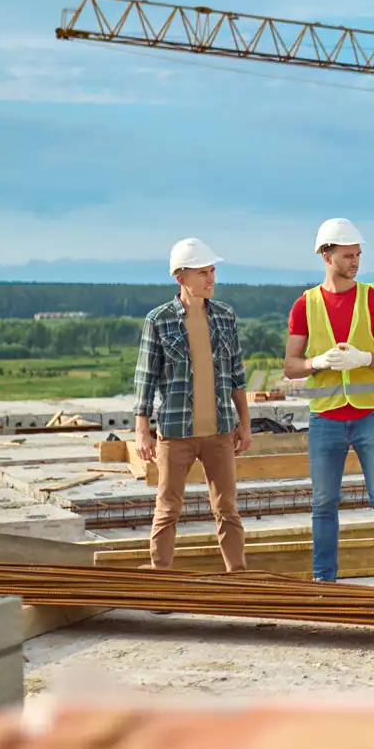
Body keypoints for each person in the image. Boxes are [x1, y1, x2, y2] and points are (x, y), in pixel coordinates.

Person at [283, 218, 374, 586]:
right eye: (348, 255)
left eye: (358, 255)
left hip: (372, 416)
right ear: (326, 255)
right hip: (325, 419)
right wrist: (316, 363)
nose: (355, 261)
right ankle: (324, 582)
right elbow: (291, 366)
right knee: (323, 504)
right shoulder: (305, 304)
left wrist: (366, 358)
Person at [134, 238, 251, 572]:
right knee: (168, 508)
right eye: (203, 272)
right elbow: (144, 380)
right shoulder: (158, 320)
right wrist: (142, 432)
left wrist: (244, 424)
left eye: (212, 271)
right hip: (175, 432)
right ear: (180, 277)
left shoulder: (226, 317)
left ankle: (237, 579)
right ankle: (160, 579)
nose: (211, 278)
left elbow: (238, 377)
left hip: (219, 432)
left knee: (227, 508)